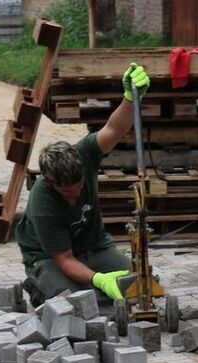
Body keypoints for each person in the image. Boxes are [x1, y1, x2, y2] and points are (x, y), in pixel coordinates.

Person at [16, 63, 150, 307]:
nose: (76, 195)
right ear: (50, 183)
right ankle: (38, 283)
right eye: (67, 191)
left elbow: (115, 128)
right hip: (49, 256)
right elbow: (65, 259)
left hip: (93, 246)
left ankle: (92, 284)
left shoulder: (85, 153)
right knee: (70, 301)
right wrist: (99, 280)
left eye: (79, 185)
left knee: (137, 284)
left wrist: (131, 98)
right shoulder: (42, 203)